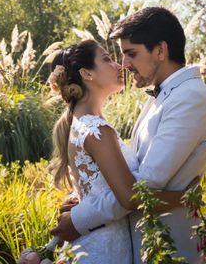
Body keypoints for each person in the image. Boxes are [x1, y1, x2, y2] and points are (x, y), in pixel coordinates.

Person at [51, 7, 206, 263]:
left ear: (161, 51)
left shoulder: (189, 98)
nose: (124, 64)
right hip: (138, 244)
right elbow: (126, 176)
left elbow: (143, 185)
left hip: (169, 245)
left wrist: (81, 217)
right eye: (119, 56)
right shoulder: (161, 96)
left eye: (131, 53)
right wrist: (85, 194)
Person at [34, 39, 191, 264]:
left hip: (94, 245)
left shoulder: (82, 123)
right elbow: (129, 198)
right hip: (104, 251)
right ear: (87, 74)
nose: (120, 65)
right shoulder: (97, 130)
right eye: (107, 59)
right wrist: (184, 198)